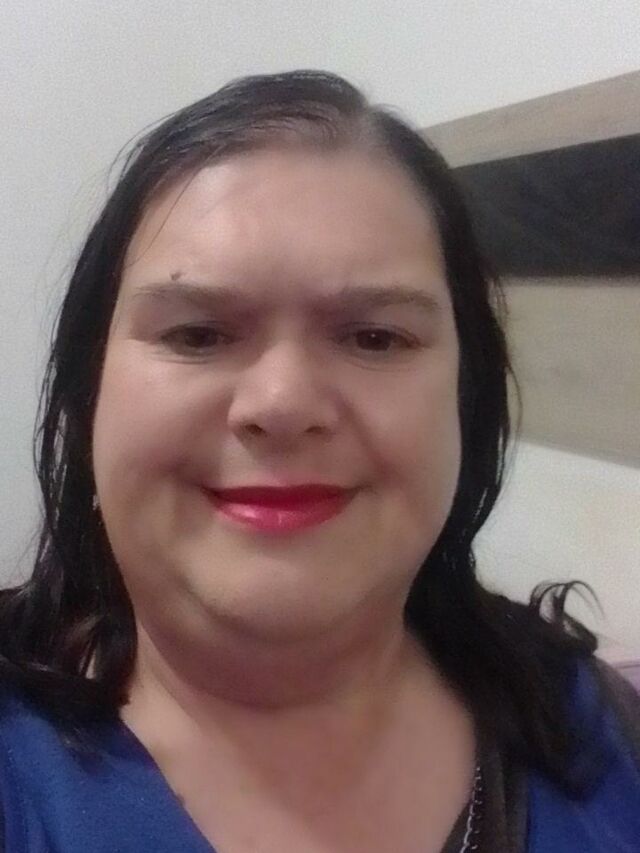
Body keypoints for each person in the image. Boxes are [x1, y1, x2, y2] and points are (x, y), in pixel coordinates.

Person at [0, 70, 638, 853]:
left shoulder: (601, 733)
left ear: (465, 399)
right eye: (198, 334)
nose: (283, 402)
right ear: (87, 390)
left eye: (375, 337)